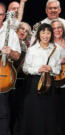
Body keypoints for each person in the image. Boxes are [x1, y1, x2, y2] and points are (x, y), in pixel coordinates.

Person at [21, 23, 62, 135]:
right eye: (43, 32)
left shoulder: (57, 48)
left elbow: (59, 69)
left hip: (50, 84)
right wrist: (38, 69)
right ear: (38, 34)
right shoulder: (32, 49)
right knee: (35, 113)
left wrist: (51, 68)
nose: (45, 35)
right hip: (35, 83)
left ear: (51, 34)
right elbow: (25, 68)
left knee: (49, 113)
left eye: (48, 33)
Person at [0, 3, 21, 135]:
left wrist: (10, 52)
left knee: (3, 113)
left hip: (2, 78)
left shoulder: (11, 33)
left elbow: (17, 55)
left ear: (4, 15)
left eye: (0, 14)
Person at [9, 22, 31, 135]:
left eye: (26, 31)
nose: (23, 32)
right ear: (17, 29)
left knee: (17, 111)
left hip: (19, 84)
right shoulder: (8, 42)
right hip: (5, 80)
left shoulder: (27, 48)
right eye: (22, 28)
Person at [51, 20, 65, 135]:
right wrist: (61, 60)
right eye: (54, 28)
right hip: (54, 82)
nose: (57, 30)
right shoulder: (48, 43)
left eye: (59, 28)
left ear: (62, 29)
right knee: (55, 112)